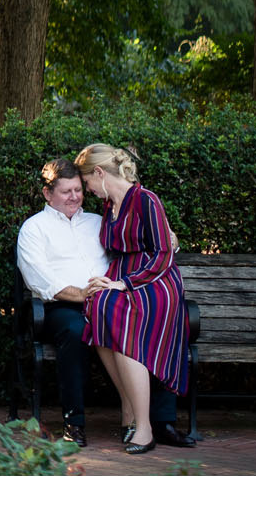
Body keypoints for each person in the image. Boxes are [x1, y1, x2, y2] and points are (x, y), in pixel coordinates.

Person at [15, 159, 191, 448]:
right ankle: (75, 423)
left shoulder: (98, 222)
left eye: (78, 190)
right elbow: (39, 279)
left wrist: (170, 238)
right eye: (65, 192)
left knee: (150, 320)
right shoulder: (35, 228)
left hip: (108, 300)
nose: (74, 197)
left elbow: (136, 243)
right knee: (75, 331)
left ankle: (159, 421)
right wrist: (82, 294)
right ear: (48, 194)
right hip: (64, 306)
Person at [76, 142, 193, 455]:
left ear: (99, 173)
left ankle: (144, 428)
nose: (88, 189)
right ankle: (128, 400)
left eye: (87, 182)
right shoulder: (109, 206)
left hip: (155, 281)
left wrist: (124, 284)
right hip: (123, 277)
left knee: (120, 314)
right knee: (97, 305)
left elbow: (162, 254)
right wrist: (108, 281)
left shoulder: (145, 200)